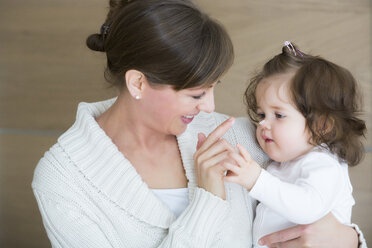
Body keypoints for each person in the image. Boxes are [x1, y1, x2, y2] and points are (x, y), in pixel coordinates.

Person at [31, 0, 366, 247]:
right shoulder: (64, 183)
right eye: (196, 95)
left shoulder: (240, 137)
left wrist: (349, 240)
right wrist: (207, 198)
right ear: (138, 84)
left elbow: (321, 189)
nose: (211, 107)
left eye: (213, 89)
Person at [223, 42, 367, 247]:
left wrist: (256, 180)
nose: (263, 124)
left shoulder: (323, 164)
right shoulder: (284, 161)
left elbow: (307, 207)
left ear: (322, 125)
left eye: (278, 115)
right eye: (261, 114)